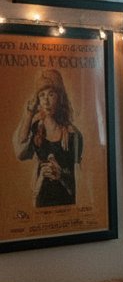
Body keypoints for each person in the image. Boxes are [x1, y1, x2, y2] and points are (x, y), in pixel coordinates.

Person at [13, 69, 84, 207]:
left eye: (51, 94)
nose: (46, 100)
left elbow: (80, 180)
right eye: (42, 95)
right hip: (41, 197)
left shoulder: (73, 135)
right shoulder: (35, 129)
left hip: (65, 200)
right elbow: (20, 150)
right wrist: (28, 114)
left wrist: (60, 174)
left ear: (60, 98)